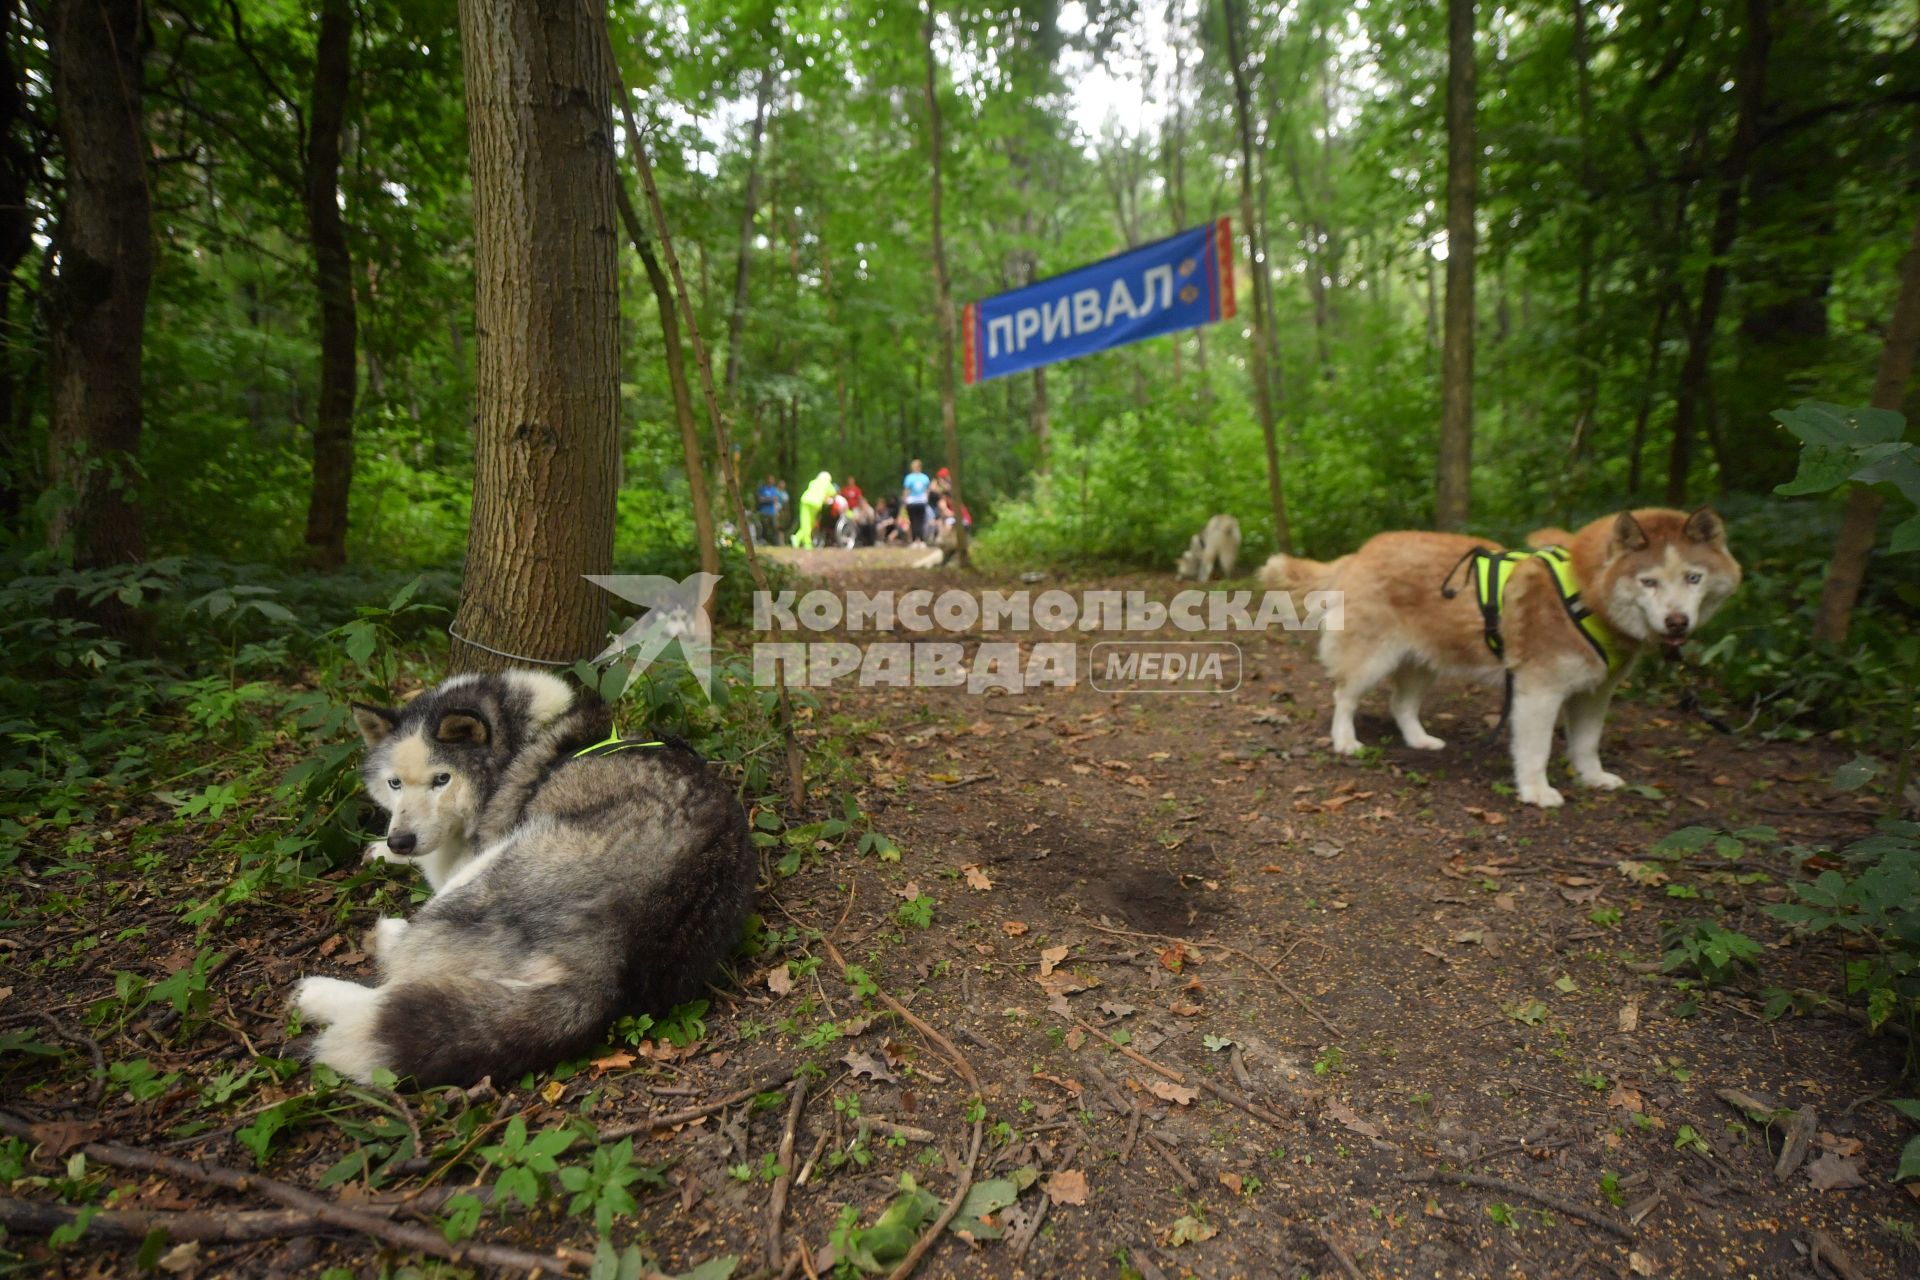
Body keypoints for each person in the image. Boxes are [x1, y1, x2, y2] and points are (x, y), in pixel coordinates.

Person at [792, 471, 838, 548]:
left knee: (805, 522)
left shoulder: (813, 482)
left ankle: (797, 538)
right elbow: (833, 493)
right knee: (809, 523)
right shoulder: (827, 483)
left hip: (805, 500)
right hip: (815, 504)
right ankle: (807, 543)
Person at [901, 459, 932, 544]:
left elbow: (906, 490)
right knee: (921, 521)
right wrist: (926, 499)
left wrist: (904, 501)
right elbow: (927, 490)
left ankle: (915, 540)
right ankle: (921, 540)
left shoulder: (909, 478)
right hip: (922, 501)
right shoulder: (925, 477)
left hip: (911, 501)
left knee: (914, 521)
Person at [754, 475, 785, 545]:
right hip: (763, 511)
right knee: (764, 528)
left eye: (772, 479)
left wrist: (767, 499)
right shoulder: (762, 489)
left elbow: (777, 500)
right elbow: (760, 499)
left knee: (775, 527)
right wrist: (770, 499)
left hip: (772, 512)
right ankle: (763, 542)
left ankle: (776, 543)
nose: (771, 481)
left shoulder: (775, 490)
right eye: (769, 479)